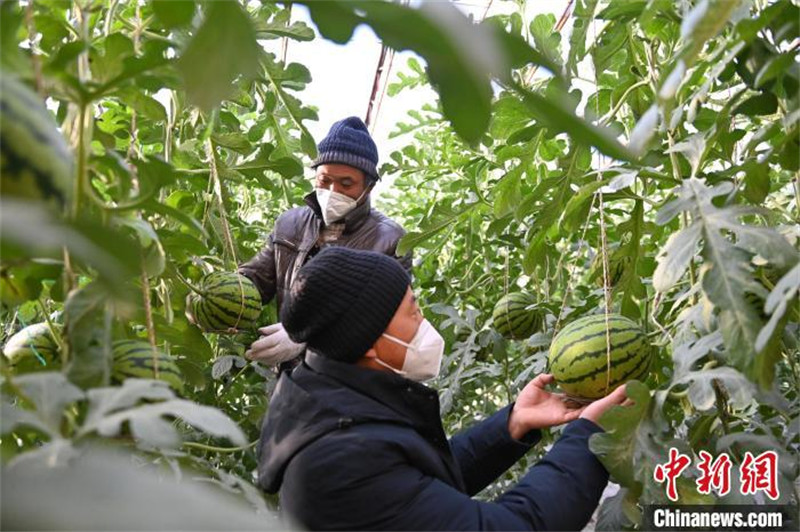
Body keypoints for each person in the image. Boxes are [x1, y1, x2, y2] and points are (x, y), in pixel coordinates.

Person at [256, 247, 630, 531]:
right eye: (413, 311)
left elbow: (418, 487)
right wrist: (586, 439)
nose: (423, 322)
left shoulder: (326, 399)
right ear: (369, 340)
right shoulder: (337, 461)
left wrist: (513, 423)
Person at [239, 117, 410, 367]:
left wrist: (308, 336)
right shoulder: (290, 224)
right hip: (288, 379)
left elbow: (389, 321)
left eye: (346, 183)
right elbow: (257, 279)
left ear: (369, 187)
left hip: (346, 382)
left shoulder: (390, 240)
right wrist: (223, 296)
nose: (332, 192)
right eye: (324, 180)